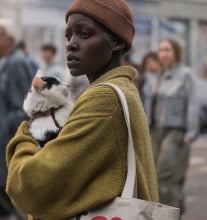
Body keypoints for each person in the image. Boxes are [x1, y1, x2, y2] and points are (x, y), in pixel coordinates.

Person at [6, 1, 159, 219]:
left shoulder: (104, 98)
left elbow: (29, 187)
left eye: (84, 33)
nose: (71, 44)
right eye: (69, 36)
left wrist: (30, 131)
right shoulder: (121, 90)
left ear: (116, 41)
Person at [150, 38, 199, 213]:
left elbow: (193, 104)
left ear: (176, 52)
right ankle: (173, 209)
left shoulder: (186, 74)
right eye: (161, 50)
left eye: (167, 50)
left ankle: (168, 213)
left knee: (166, 175)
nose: (163, 54)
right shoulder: (160, 75)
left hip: (176, 131)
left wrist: (191, 132)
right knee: (154, 175)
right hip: (156, 131)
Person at [0, 18, 32, 219]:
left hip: (8, 145)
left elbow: (23, 110)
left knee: (16, 205)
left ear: (9, 39)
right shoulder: (6, 62)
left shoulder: (16, 63)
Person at [139, 52, 161, 124]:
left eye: (152, 61)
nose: (150, 64)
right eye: (147, 62)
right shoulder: (143, 79)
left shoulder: (164, 77)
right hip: (147, 117)